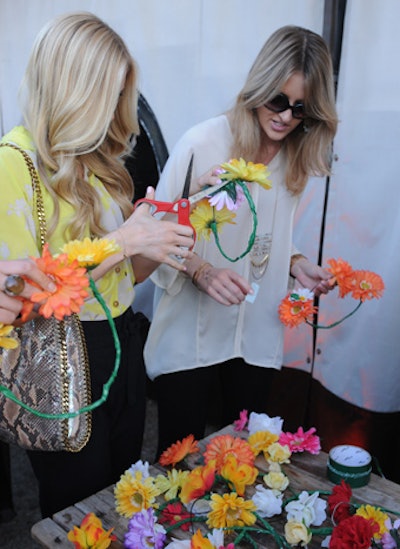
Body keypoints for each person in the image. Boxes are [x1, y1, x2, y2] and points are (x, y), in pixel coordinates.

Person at [0, 12, 194, 517]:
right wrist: (124, 241)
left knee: (120, 497)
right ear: (71, 86)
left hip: (120, 345)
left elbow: (121, 281)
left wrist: (154, 243)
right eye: (106, 92)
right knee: (75, 512)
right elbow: (20, 296)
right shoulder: (12, 163)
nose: (114, 108)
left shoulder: (98, 162)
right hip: (60, 359)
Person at [144, 25, 338, 456]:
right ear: (259, 87)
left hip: (256, 335)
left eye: (301, 109)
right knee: (180, 469)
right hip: (189, 339)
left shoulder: (294, 158)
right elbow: (150, 233)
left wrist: (296, 261)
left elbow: (267, 236)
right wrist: (200, 271)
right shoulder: (202, 143)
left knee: (242, 464)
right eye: (278, 100)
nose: (286, 116)